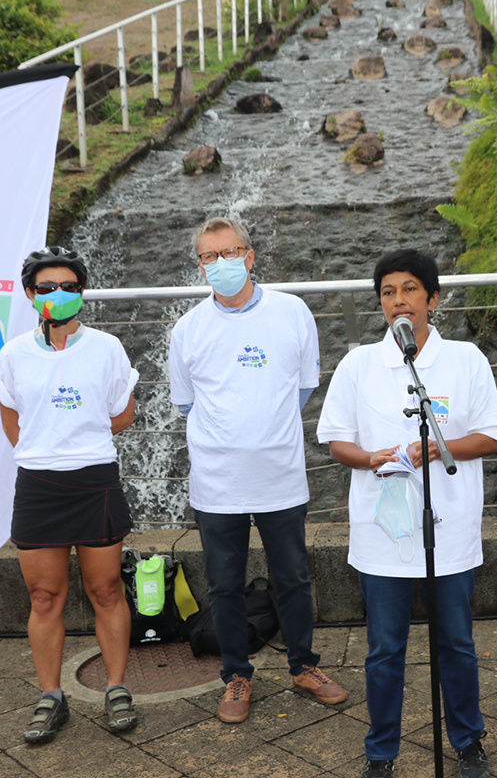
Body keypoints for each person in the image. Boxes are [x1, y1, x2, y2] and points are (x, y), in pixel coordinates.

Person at [317, 249, 497, 778]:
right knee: (384, 649)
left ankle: (468, 742)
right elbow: (336, 441)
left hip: (451, 527)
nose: (398, 300)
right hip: (383, 532)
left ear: (433, 299)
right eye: (388, 292)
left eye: (410, 289)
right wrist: (370, 458)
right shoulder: (358, 365)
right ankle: (381, 752)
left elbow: (489, 435)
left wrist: (438, 449)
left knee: (456, 643)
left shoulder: (465, 360)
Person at [168, 217, 345, 724]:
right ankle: (236, 675)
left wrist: (263, 427)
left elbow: (304, 386)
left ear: (249, 256)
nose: (220, 263)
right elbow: (186, 403)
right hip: (217, 482)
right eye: (209, 256)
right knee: (224, 585)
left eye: (230, 252)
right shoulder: (188, 329)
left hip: (279, 475)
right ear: (200, 265)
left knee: (294, 578)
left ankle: (304, 666)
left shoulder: (292, 312)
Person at [0, 246, 140, 744]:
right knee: (44, 596)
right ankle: (51, 697)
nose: (58, 294)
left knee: (106, 591)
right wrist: (47, 447)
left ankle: (116, 688)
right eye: (47, 287)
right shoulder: (13, 354)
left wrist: (78, 437)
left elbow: (124, 414)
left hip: (94, 481)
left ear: (81, 293)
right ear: (30, 294)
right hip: (39, 486)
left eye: (69, 287)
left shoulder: (107, 348)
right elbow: (12, 422)